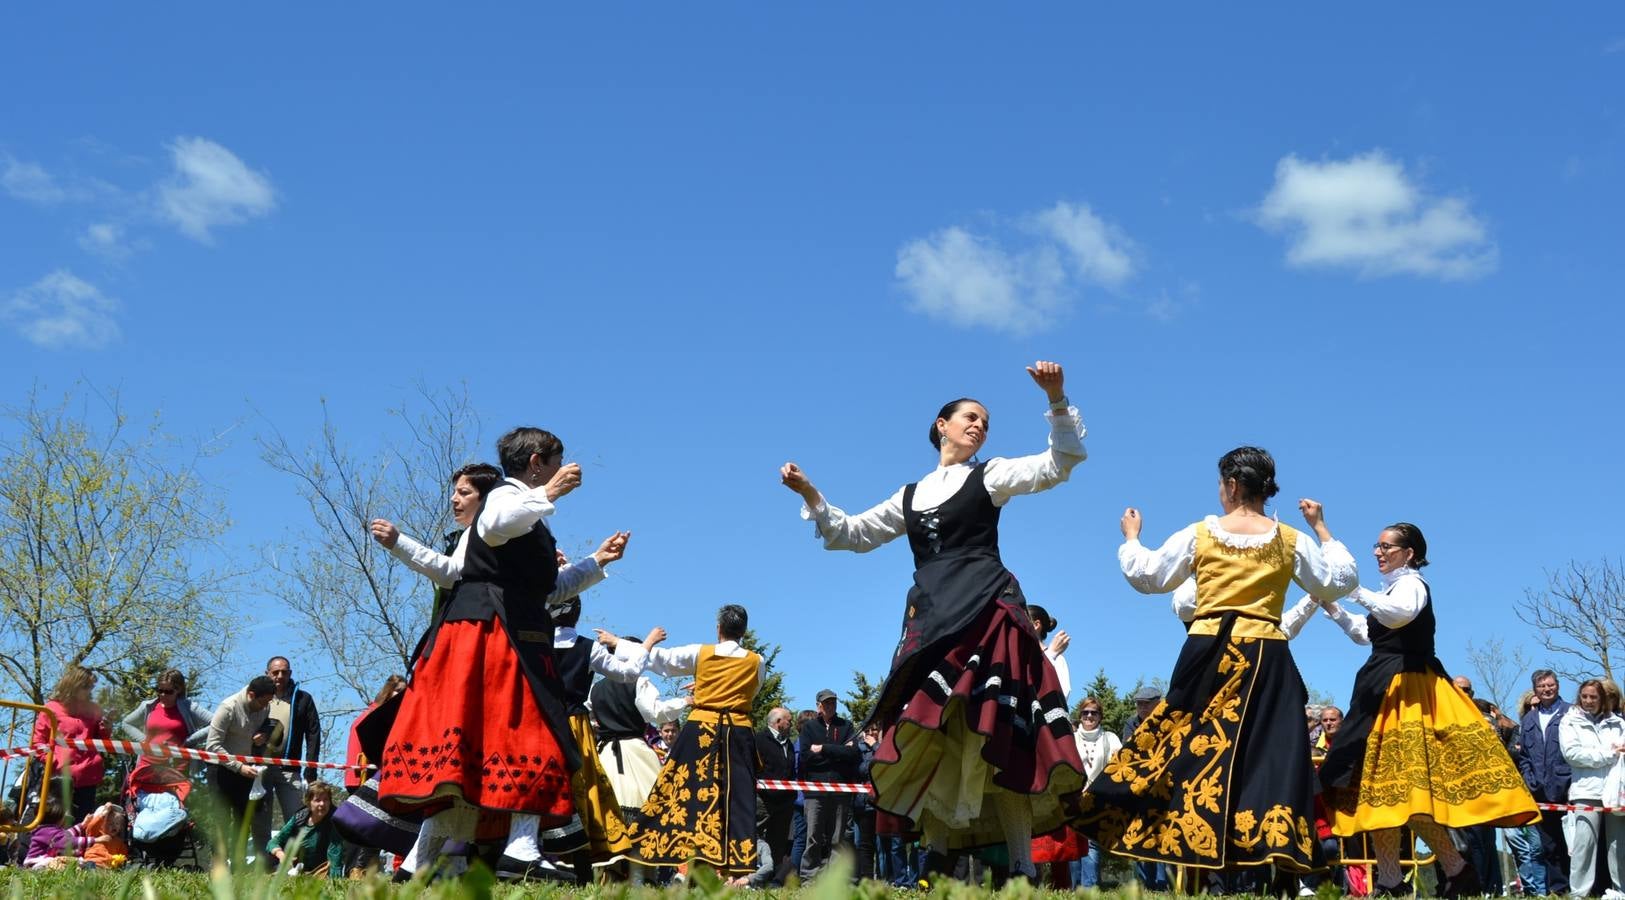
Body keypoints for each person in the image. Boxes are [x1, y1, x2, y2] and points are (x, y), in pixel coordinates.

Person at [780, 360, 1088, 882]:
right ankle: (939, 866)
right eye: (970, 417)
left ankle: (1019, 870)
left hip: (990, 615)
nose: (979, 426)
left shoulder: (989, 476)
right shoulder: (910, 496)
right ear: (940, 426)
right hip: (933, 622)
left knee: (1001, 740)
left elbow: (1058, 463)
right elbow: (851, 533)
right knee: (937, 737)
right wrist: (811, 493)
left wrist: (1057, 399)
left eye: (986, 422)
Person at [1075, 446, 1359, 877]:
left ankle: (1185, 844)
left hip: (1209, 652)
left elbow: (1149, 576)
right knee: (1261, 755)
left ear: (1229, 485)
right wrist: (1322, 530)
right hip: (1265, 654)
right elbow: (1340, 582)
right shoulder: (1290, 539)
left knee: (1182, 746)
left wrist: (1131, 537)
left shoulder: (1201, 533)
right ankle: (1263, 853)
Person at [363, 427, 591, 876]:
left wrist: (597, 562)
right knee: (528, 732)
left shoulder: (529, 515)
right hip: (494, 634)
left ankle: (420, 861)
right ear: (536, 462)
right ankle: (519, 851)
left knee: (478, 750)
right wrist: (550, 492)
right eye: (556, 460)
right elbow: (486, 532)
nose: (563, 468)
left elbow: (545, 590)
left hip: (509, 630)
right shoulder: (507, 499)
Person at [1317, 522, 1537, 897]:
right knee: (1381, 793)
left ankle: (1448, 869)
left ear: (1410, 553)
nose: (1378, 552)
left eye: (1386, 546)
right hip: (1382, 687)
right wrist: (1335, 607)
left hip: (1410, 691)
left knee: (1406, 792)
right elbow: (1367, 632)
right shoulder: (1389, 589)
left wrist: (1352, 589)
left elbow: (1399, 614)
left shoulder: (1413, 585)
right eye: (1377, 545)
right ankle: (1402, 878)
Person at [516, 599, 653, 880]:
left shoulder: (533, 642)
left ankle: (522, 855)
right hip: (574, 726)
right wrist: (646, 646)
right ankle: (581, 869)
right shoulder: (588, 648)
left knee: (532, 786)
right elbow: (627, 673)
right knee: (583, 793)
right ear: (577, 616)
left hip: (537, 721)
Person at [625, 604, 764, 878]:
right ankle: (733, 868)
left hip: (701, 730)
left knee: (681, 794)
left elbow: (660, 660)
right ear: (743, 632)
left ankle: (681, 861)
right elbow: (751, 692)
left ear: (719, 629)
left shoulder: (701, 653)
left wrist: (618, 643)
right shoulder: (756, 661)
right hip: (737, 733)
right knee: (736, 799)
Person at [1559, 678, 1625, 897]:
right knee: (1583, 846)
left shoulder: (1619, 723)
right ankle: (1579, 893)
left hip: (1615, 791)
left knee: (1618, 847)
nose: (1588, 701)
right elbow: (1573, 754)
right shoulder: (1570, 721)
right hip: (1586, 790)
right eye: (1584, 696)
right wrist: (1608, 755)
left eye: (1593, 697)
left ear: (1603, 699)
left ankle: (1621, 891)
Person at [253, 655, 322, 860]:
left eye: (284, 672)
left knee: (297, 816)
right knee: (260, 819)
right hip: (259, 768)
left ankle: (298, 862)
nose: (280, 676)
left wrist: (311, 770)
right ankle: (264, 863)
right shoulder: (257, 697)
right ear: (267, 674)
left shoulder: (303, 699)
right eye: (275, 672)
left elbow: (313, 734)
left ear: (290, 674)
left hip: (290, 768)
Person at [206, 674, 277, 867]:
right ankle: (218, 864)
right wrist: (238, 767)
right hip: (220, 770)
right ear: (252, 695)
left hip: (246, 770)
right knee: (220, 819)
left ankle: (239, 865)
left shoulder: (265, 706)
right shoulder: (227, 708)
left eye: (269, 702)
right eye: (264, 701)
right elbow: (212, 747)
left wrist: (263, 735)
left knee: (243, 819)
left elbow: (265, 726)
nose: (266, 706)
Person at [30, 665, 112, 820]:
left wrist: (106, 728)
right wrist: (53, 762)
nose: (90, 691)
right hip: (57, 778)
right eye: (86, 687)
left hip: (87, 778)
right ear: (74, 685)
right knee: (52, 825)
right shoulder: (51, 708)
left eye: (91, 687)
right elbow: (38, 743)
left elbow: (102, 741)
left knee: (80, 826)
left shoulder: (94, 709)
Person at [1518, 668, 1574, 894]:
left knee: (1574, 843)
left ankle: (1583, 887)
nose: (1547, 689)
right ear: (1535, 690)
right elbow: (1524, 757)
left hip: (1568, 789)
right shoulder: (1529, 719)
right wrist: (1529, 779)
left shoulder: (1572, 713)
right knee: (1548, 846)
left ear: (1557, 685)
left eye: (1550, 685)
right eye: (1542, 686)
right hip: (1540, 791)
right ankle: (1559, 890)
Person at [798, 688, 860, 880]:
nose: (831, 706)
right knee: (813, 836)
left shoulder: (846, 726)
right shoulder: (809, 728)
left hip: (841, 791)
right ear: (819, 706)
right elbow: (807, 758)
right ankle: (809, 877)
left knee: (838, 838)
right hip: (815, 792)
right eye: (826, 703)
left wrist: (824, 749)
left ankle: (835, 879)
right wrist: (838, 753)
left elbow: (853, 755)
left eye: (833, 702)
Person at [1068, 697, 1121, 889]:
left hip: (1097, 797)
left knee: (1091, 844)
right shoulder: (1071, 738)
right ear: (1080, 715)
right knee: (1073, 844)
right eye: (1085, 712)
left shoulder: (1110, 738)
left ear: (1100, 716)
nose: (1089, 716)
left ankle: (1089, 890)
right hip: (1073, 796)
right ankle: (1074, 889)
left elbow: (1118, 764)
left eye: (1094, 712)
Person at [753, 706, 797, 884]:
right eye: (788, 719)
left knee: (778, 840)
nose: (791, 723)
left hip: (784, 802)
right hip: (763, 801)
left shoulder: (789, 743)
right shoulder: (759, 740)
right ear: (779, 722)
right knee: (754, 836)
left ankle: (773, 879)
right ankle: (750, 874)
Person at [267, 781, 344, 878]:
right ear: (308, 802)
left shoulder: (334, 821)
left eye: (326, 800)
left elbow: (335, 854)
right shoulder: (299, 818)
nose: (322, 804)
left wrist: (335, 880)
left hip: (319, 870)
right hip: (293, 867)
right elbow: (273, 842)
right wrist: (281, 855)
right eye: (317, 800)